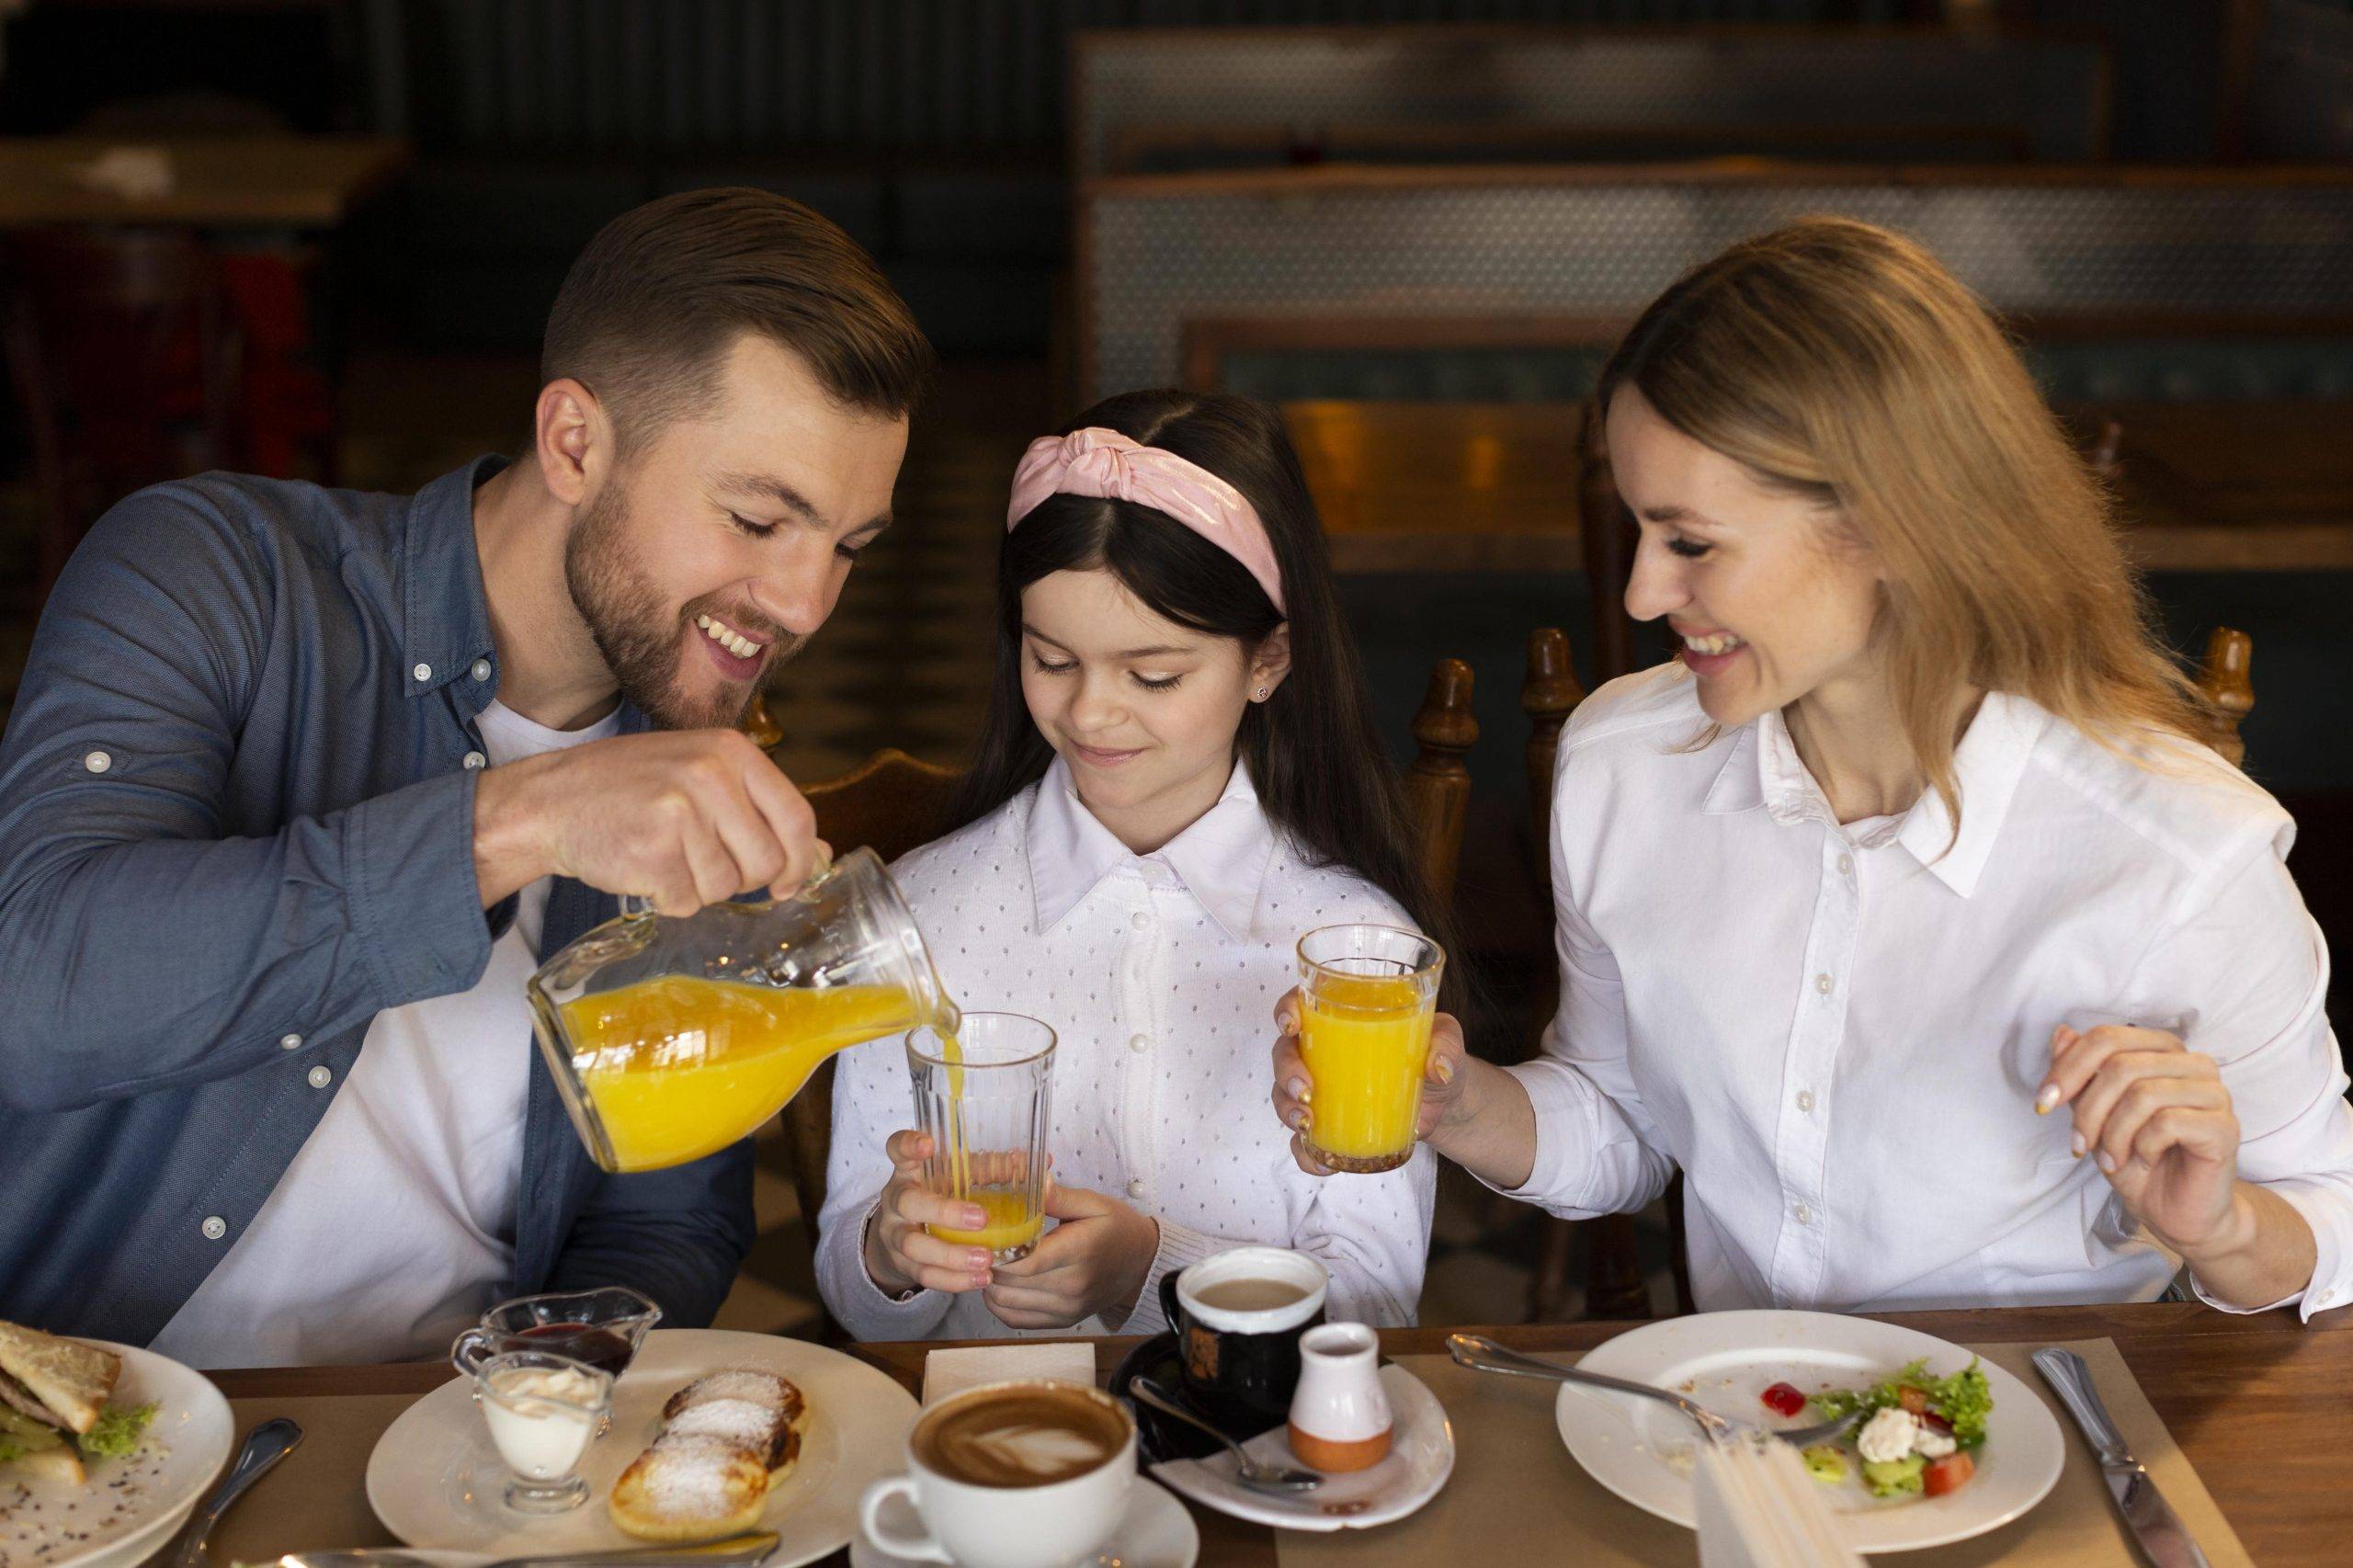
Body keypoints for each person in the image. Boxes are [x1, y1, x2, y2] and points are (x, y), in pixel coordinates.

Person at [1274, 218, 2353, 1318]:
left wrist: (2217, 1226)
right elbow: (1622, 1117)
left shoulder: (2184, 852)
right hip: (1739, 1425)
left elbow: (2329, 1218)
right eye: (1637, 531)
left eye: (1690, 542)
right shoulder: (1620, 767)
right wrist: (1451, 1104)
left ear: (1892, 523)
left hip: (2043, 1440)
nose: (1642, 593)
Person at [0, 188, 933, 1365]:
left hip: (447, 1440)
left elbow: (666, 1216)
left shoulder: (716, 775)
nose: (806, 604)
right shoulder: (216, 574)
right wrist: (518, 820)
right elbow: (31, 992)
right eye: (756, 519)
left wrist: (538, 1399)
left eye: (846, 547)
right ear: (575, 442)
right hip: (79, 1420)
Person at [816, 390, 1450, 1338]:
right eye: (1051, 659)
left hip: (1252, 1466)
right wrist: (886, 1251)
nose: (1090, 714)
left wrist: (1149, 1267)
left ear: (1270, 659)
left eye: (1154, 674)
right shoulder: (918, 916)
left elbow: (1377, 1303)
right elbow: (856, 1300)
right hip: (997, 1456)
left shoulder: (1358, 959)